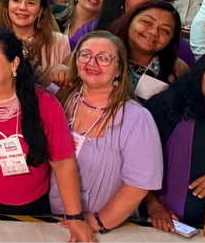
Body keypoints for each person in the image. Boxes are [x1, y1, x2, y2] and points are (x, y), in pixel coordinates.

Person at [0, 28, 94, 238]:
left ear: (14, 63)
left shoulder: (45, 103)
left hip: (32, 207)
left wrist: (75, 218)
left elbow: (63, 162)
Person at [50, 31, 163, 232]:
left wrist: (96, 223)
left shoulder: (136, 118)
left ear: (119, 69)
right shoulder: (60, 98)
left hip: (108, 229)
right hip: (52, 220)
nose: (92, 62)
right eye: (85, 54)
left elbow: (139, 184)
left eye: (104, 58)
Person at [142, 54, 205, 232]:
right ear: (202, 70)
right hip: (158, 223)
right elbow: (136, 163)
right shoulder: (167, 106)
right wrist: (153, 205)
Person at [0, 0, 71, 86]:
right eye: (16, 0)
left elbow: (66, 87)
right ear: (7, 6)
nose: (22, 7)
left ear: (40, 11)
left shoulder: (60, 42)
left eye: (30, 3)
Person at [108, 0, 187, 98]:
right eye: (147, 22)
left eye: (164, 30)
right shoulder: (101, 55)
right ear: (130, 19)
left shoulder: (178, 70)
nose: (154, 32)